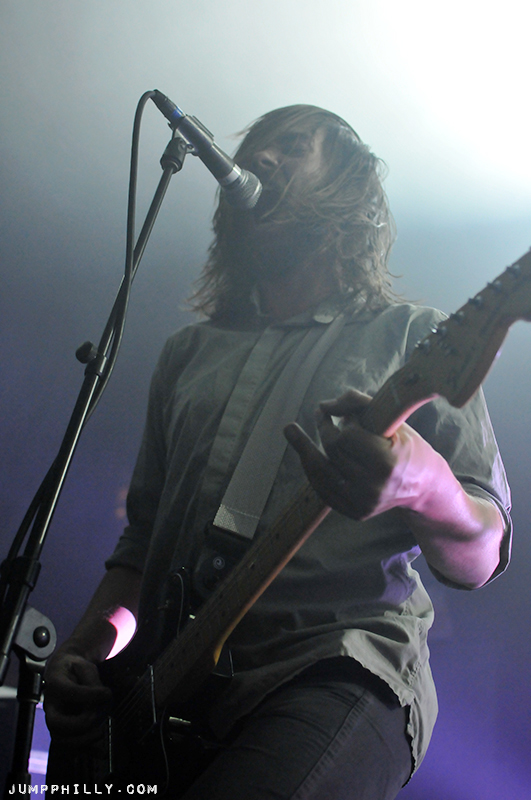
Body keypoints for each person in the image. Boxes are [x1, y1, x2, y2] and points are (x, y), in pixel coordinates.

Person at [44, 104, 511, 799]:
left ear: (348, 185)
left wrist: (424, 486)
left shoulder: (415, 338)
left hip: (331, 667)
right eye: (254, 151)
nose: (260, 160)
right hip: (162, 691)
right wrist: (87, 647)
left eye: (291, 147)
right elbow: (140, 552)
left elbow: (481, 555)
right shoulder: (187, 354)